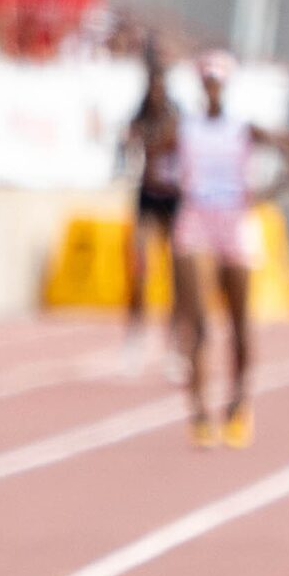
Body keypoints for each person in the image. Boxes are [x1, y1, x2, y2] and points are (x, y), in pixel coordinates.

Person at [171, 51, 289, 449]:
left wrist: (262, 195)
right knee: (197, 321)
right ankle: (199, 411)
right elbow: (149, 164)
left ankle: (238, 404)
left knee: (238, 323)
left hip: (235, 221)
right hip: (196, 218)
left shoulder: (242, 129)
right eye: (207, 80)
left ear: (226, 84)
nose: (212, 86)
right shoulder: (184, 128)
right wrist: (171, 188)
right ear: (200, 84)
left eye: (218, 80)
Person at [116, 50, 181, 371]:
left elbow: (175, 147)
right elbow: (127, 146)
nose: (156, 92)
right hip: (148, 199)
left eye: (160, 86)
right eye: (152, 86)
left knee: (175, 273)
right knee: (140, 270)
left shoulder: (177, 115)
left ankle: (173, 344)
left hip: (174, 198)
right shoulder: (140, 116)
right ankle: (135, 337)